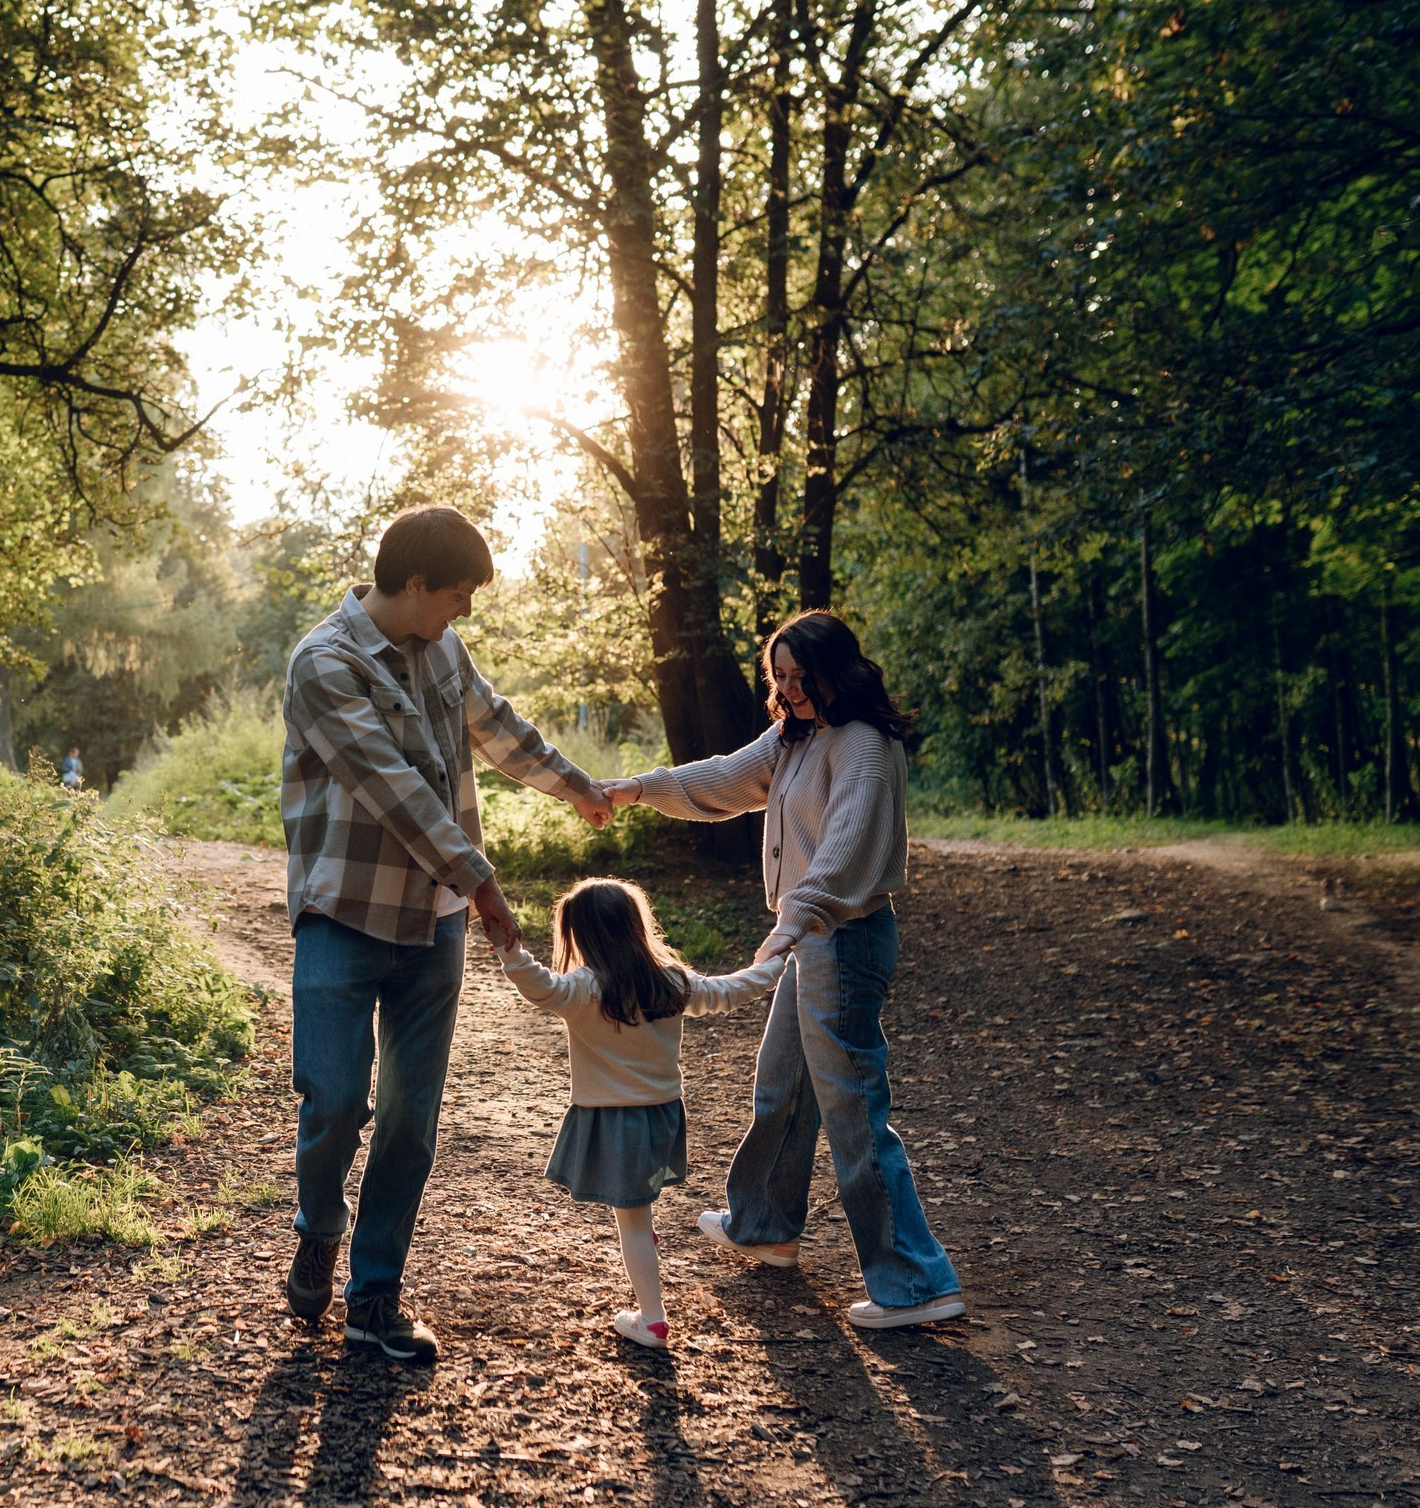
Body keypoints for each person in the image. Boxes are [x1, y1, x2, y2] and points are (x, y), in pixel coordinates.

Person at [281, 504, 613, 1362]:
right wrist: (482, 878)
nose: (467, 609)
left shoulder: (444, 650)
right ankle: (318, 1224)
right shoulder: (325, 664)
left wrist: (576, 785)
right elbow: (392, 788)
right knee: (333, 1102)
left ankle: (375, 1297)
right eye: (459, 593)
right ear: (416, 583)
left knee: (408, 1120)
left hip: (434, 925)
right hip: (345, 917)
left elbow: (499, 729)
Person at [602, 610, 966, 1329]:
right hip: (816, 940)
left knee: (854, 1112)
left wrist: (794, 921)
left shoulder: (862, 744)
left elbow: (844, 847)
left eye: (804, 677)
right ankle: (765, 1225)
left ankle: (918, 1283)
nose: (792, 690)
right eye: (781, 678)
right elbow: (725, 780)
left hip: (845, 938)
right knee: (782, 1088)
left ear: (840, 670)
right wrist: (639, 789)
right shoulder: (799, 735)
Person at [494, 878, 783, 1348]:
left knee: (634, 1222)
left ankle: (652, 1319)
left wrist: (511, 951)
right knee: (638, 1217)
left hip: (613, 1122)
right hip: (661, 1117)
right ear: (635, 925)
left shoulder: (586, 988)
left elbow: (539, 987)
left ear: (581, 934)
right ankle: (650, 1308)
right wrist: (775, 962)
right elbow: (731, 991)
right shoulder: (669, 980)